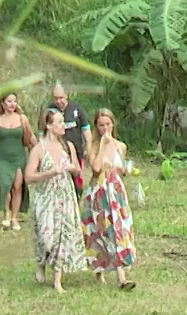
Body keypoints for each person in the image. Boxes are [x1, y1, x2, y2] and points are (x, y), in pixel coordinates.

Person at [26, 108, 90, 290]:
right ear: (48, 125)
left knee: (62, 236)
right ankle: (41, 264)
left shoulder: (67, 146)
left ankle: (57, 281)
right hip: (46, 196)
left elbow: (78, 170)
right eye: (60, 122)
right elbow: (29, 176)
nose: (64, 125)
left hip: (65, 195)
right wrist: (49, 172)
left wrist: (70, 167)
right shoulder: (39, 149)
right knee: (47, 237)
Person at [81, 109, 136, 290]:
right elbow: (96, 169)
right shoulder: (93, 146)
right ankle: (99, 270)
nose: (105, 128)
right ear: (96, 127)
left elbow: (121, 170)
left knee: (118, 230)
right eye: (101, 125)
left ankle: (121, 277)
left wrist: (125, 171)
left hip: (116, 192)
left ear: (113, 124)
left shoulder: (121, 146)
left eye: (108, 124)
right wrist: (103, 145)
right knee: (99, 231)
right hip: (98, 192)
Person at [0, 93, 33, 231]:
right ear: (2, 103)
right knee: (5, 185)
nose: (12, 104)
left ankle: (14, 217)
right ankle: (6, 213)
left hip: (19, 157)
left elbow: (30, 137)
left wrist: (39, 153)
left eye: (14, 101)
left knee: (17, 186)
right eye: (9, 101)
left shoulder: (22, 119)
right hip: (2, 158)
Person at [41, 83, 89, 194]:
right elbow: (41, 132)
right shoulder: (48, 112)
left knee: (77, 182)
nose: (58, 101)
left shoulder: (76, 108)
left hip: (76, 151)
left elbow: (85, 129)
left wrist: (88, 147)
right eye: (55, 98)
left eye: (61, 98)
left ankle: (76, 199)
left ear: (66, 95)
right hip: (56, 152)